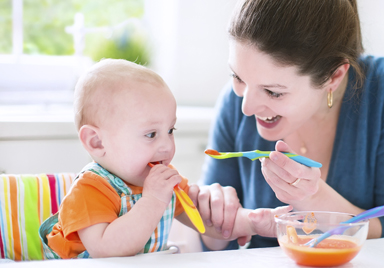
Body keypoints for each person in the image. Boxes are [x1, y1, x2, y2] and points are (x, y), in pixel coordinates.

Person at [198, 0, 384, 250]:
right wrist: (213, 218)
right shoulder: (234, 101)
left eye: (273, 92)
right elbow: (213, 245)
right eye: (237, 77)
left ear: (333, 77)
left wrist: (312, 200)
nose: (246, 107)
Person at [38, 59, 290, 259]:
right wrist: (153, 200)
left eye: (170, 130)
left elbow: (208, 221)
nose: (167, 146)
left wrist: (256, 222)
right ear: (97, 142)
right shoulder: (88, 191)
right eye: (151, 134)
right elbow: (106, 250)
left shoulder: (163, 181)